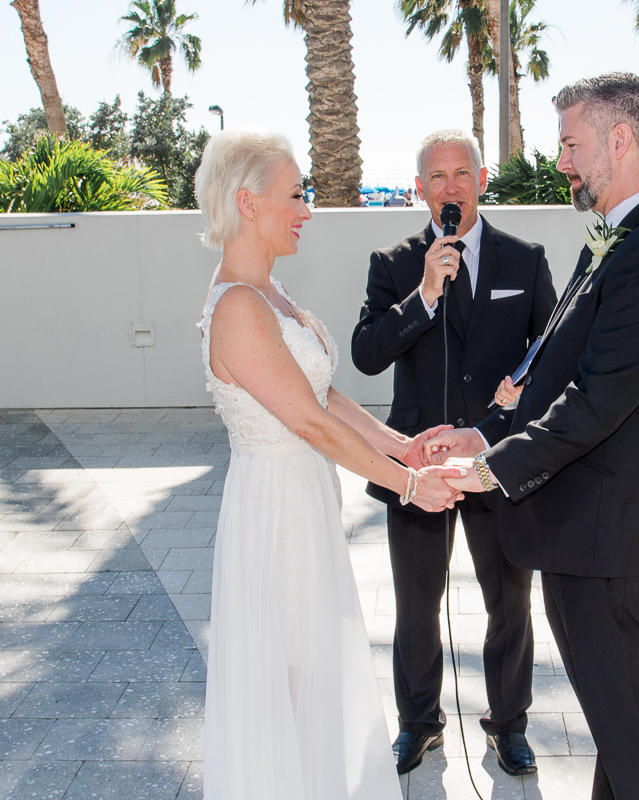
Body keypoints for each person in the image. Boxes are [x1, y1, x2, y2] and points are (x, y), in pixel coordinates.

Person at [425, 74, 639, 800]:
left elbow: (596, 401)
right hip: (586, 539)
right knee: (620, 736)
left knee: (637, 743)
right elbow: (545, 372)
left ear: (620, 139)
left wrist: (492, 469)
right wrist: (479, 433)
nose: (562, 162)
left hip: (613, 546)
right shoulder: (617, 239)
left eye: (570, 143)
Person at [194, 129, 464, 800]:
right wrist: (408, 485)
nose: (306, 210)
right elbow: (308, 423)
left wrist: (400, 444)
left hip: (303, 502)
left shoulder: (272, 294)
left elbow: (323, 394)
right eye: (296, 194)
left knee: (312, 670)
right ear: (248, 203)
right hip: (273, 512)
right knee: (285, 674)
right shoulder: (236, 307)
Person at [351, 129, 557, 776]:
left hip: (495, 463)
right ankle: (419, 725)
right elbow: (365, 354)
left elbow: (550, 362)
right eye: (434, 177)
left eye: (459, 174)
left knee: (509, 601)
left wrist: (510, 414)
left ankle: (509, 725)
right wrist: (425, 296)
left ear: (481, 179)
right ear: (419, 189)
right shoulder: (393, 264)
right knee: (416, 604)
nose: (448, 187)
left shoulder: (524, 260)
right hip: (416, 463)